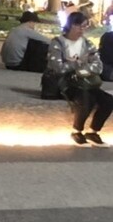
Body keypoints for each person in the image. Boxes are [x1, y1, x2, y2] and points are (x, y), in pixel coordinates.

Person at [44, 11, 112, 145]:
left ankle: (93, 131)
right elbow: (57, 68)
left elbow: (98, 66)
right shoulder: (57, 43)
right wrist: (79, 62)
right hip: (66, 83)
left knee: (108, 101)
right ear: (71, 25)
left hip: (86, 82)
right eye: (79, 26)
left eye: (85, 26)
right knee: (86, 100)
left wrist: (77, 68)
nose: (82, 30)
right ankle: (77, 131)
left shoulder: (87, 44)